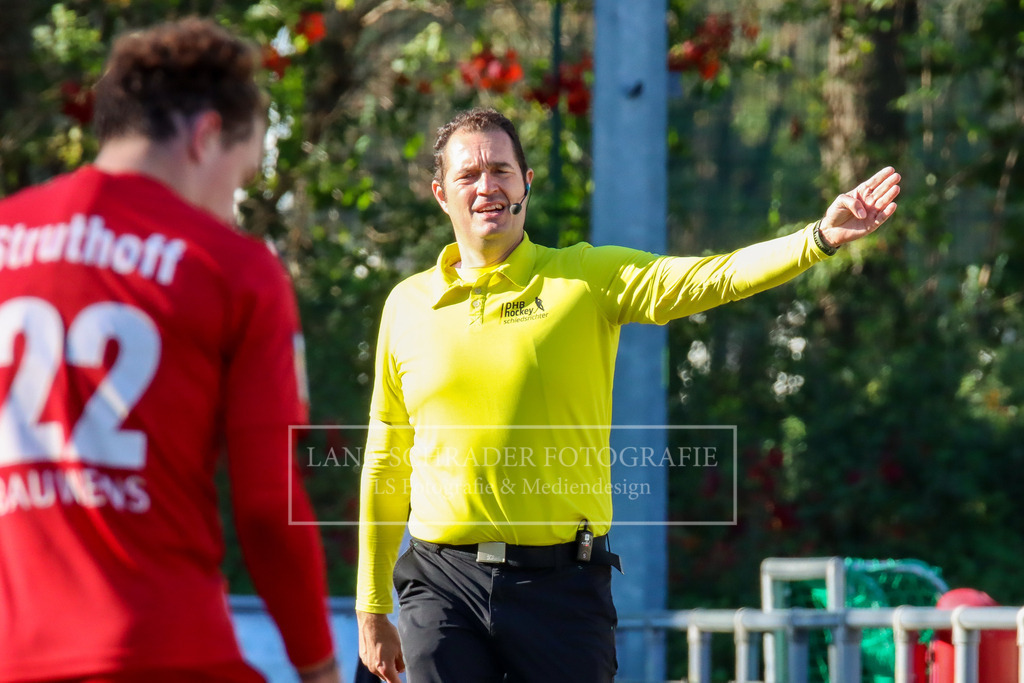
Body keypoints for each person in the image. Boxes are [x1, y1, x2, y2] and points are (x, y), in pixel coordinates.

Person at [356, 107, 900, 683]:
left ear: (526, 182)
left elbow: (708, 278)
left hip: (561, 586)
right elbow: (385, 462)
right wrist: (372, 607)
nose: (486, 186)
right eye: (469, 175)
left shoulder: (585, 278)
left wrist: (817, 239)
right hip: (441, 585)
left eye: (501, 170)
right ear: (442, 194)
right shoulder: (407, 305)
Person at [0, 18, 340, 683]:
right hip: (165, 649)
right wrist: (319, 666)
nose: (231, 208)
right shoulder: (232, 268)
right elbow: (270, 509)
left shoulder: (8, 235)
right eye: (238, 181)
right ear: (206, 135)